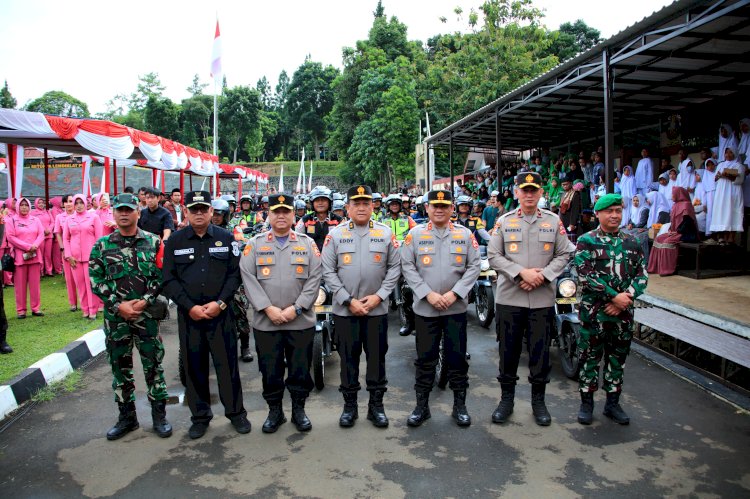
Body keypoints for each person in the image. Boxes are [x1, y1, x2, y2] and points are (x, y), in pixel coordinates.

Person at [487, 172, 575, 426]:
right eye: (524, 190)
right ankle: (506, 400)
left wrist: (544, 276)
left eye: (533, 190)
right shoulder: (504, 222)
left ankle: (539, 401)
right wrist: (520, 273)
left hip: (541, 298)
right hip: (509, 298)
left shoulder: (553, 221)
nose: (528, 194)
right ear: (516, 193)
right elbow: (494, 255)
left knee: (540, 352)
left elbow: (564, 254)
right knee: (508, 351)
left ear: (540, 193)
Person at [162, 191, 250, 439]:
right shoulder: (176, 241)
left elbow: (235, 274)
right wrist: (189, 306)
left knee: (227, 366)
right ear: (186, 212)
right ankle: (200, 417)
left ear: (212, 212)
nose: (199, 213)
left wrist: (220, 303)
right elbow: (168, 278)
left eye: (204, 209)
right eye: (194, 209)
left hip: (220, 314)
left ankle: (236, 414)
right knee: (194, 367)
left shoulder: (226, 238)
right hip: (190, 316)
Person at [89, 193, 172, 441]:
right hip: (116, 320)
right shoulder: (102, 246)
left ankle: (159, 416)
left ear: (138, 212)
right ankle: (127, 417)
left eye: (129, 210)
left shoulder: (153, 242)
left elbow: (162, 276)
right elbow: (96, 280)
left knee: (154, 366)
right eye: (119, 210)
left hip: (146, 316)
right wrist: (118, 305)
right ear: (113, 214)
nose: (124, 214)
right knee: (120, 368)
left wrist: (145, 300)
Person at [240, 193, 322, 433]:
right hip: (267, 322)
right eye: (276, 211)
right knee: (270, 370)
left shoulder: (307, 243)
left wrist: (296, 308)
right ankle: (275, 411)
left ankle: (299, 410)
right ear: (269, 214)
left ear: (293, 213)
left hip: (300, 321)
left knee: (300, 369)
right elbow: (248, 277)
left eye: (286, 211)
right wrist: (268, 308)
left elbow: (315, 278)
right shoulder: (255, 244)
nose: (281, 216)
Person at [321, 185, 400, 428]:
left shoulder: (386, 234)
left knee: (377, 359)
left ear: (373, 206)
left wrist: (380, 296)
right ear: (347, 208)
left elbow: (395, 268)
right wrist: (348, 299)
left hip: (376, 310)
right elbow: (328, 270)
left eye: (366, 203)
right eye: (356, 203)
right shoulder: (335, 235)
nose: (362, 207)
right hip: (346, 311)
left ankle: (376, 406)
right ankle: (350, 406)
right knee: (348, 359)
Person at [400, 189, 481, 427]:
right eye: (435, 205)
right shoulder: (414, 235)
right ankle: (421, 406)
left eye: (444, 206)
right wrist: (428, 294)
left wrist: (455, 293)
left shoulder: (465, 235)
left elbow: (474, 266)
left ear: (452, 209)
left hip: (455, 309)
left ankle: (460, 406)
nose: (439, 209)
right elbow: (407, 267)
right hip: (426, 309)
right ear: (427, 208)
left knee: (456, 359)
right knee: (425, 359)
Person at [574, 193, 648, 425]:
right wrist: (614, 296)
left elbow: (642, 275)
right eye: (609, 211)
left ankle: (612, 404)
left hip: (622, 315)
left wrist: (627, 297)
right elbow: (586, 276)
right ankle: (587, 404)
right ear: (598, 214)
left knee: (617, 359)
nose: (614, 215)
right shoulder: (586, 240)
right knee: (590, 359)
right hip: (594, 314)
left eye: (618, 210)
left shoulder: (632, 241)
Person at [63, 194, 103, 320]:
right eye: (76, 203)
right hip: (75, 258)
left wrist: (97, 255)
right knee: (80, 284)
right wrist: (68, 255)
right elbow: (66, 238)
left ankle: (93, 309)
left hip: (91, 257)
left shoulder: (94, 217)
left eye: (81, 203)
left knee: (91, 284)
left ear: (86, 203)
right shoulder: (69, 219)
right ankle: (84, 309)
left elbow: (99, 238)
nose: (79, 206)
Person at [6, 198, 45, 319]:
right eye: (21, 205)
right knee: (20, 285)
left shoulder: (36, 219)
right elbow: (11, 237)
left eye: (26, 205)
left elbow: (41, 234)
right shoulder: (12, 220)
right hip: (20, 257)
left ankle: (36, 308)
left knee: (35, 284)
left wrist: (35, 245)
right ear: (17, 207)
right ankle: (21, 310)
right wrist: (27, 246)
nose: (24, 207)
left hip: (35, 254)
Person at [647, 187, 698, 276]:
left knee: (667, 242)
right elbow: (673, 222)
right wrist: (671, 230)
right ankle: (655, 267)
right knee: (658, 239)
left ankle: (667, 269)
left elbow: (687, 222)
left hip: (686, 233)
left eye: (673, 194)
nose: (672, 196)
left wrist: (677, 231)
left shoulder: (686, 205)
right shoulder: (675, 205)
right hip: (675, 231)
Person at [709, 147, 745, 244]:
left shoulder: (739, 166)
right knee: (722, 212)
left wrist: (727, 175)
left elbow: (740, 180)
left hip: (733, 192)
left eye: (730, 152)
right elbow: (716, 179)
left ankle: (731, 237)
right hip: (722, 192)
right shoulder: (721, 165)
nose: (728, 155)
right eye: (726, 153)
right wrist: (717, 177)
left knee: (732, 212)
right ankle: (722, 236)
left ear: (735, 153)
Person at [295, 186, 342, 252]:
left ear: (329, 202)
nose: (320, 203)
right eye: (317, 200)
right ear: (312, 203)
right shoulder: (304, 220)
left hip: (333, 260)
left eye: (323, 200)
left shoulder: (339, 221)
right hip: (310, 259)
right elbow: (297, 242)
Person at [54, 195, 78, 311]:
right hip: (66, 250)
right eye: (66, 202)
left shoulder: (79, 214)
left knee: (82, 278)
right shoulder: (60, 217)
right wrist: (63, 249)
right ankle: (73, 303)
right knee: (69, 278)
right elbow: (58, 233)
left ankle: (86, 302)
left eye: (71, 201)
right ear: (63, 204)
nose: (69, 204)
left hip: (78, 251)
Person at [558, 174, 582, 238]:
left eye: (566, 184)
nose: (565, 186)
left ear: (571, 184)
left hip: (570, 223)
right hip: (563, 222)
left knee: (571, 243)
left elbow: (575, 210)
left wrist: (572, 223)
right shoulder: (563, 194)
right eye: (563, 185)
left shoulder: (575, 194)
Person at [49, 196, 64, 275]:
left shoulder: (60, 210)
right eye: (61, 202)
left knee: (61, 251)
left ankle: (61, 267)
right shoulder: (55, 211)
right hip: (57, 234)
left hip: (62, 233)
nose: (62, 203)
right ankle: (58, 268)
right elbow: (55, 223)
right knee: (57, 253)